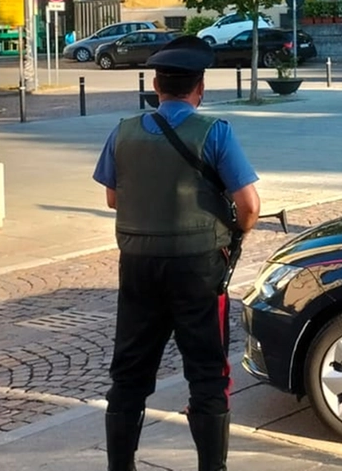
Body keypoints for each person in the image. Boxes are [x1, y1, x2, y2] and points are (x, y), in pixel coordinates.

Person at [93, 36, 261, 471]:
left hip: (138, 267)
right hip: (198, 267)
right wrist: (235, 232)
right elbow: (250, 206)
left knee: (129, 371)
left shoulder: (123, 132)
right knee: (206, 370)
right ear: (199, 88)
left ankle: (120, 465)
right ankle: (211, 467)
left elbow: (114, 198)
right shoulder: (214, 132)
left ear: (156, 84)